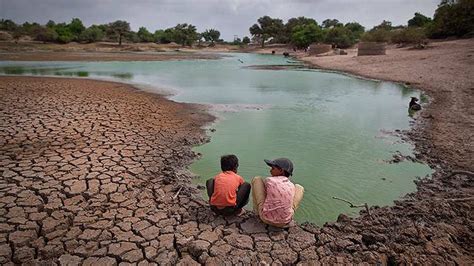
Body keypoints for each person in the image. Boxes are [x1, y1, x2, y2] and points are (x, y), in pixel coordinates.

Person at [252, 158, 304, 227]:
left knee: (257, 179)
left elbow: (264, 192)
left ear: (281, 170)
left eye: (273, 168)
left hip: (266, 218)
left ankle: (257, 213)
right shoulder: (291, 185)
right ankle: (287, 214)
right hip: (285, 221)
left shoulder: (269, 180)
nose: (270, 171)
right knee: (300, 187)